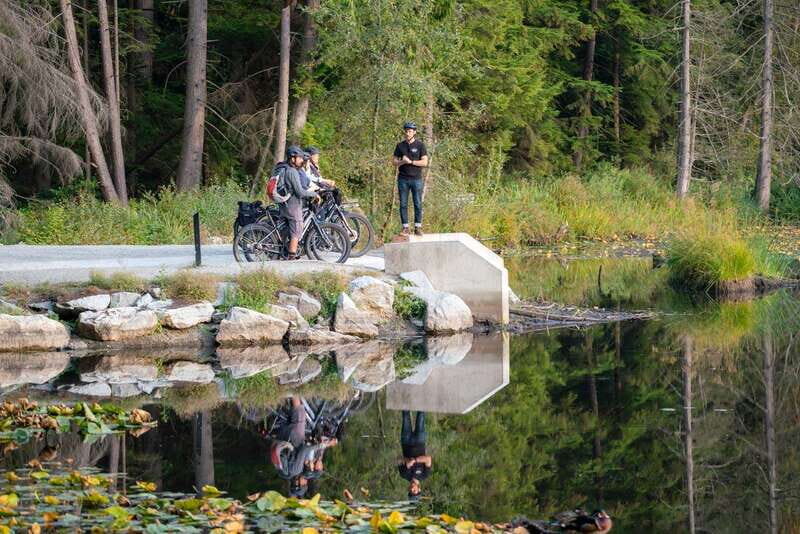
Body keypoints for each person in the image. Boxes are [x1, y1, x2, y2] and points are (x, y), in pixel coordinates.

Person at [274, 146, 320, 259]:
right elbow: (300, 192)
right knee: (297, 228)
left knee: (287, 228)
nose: (301, 160)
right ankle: (291, 256)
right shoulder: (292, 171)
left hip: (284, 203)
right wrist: (314, 194)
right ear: (292, 158)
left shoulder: (285, 168)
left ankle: (281, 250)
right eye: (299, 158)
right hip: (292, 205)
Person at [392, 121, 428, 236]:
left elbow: (424, 162)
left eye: (410, 131)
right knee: (403, 204)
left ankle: (418, 227)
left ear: (414, 132)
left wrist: (411, 162)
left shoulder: (420, 145)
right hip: (403, 179)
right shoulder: (400, 146)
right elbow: (394, 162)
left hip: (416, 179)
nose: (408, 133)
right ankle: (405, 228)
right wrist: (402, 161)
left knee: (417, 203)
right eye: (406, 131)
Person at [397, 411, 432, 501]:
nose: (412, 489)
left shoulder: (404, 475)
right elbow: (428, 459)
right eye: (414, 491)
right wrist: (415, 460)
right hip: (419, 441)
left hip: (406, 441)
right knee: (421, 414)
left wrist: (407, 462)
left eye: (410, 491)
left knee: (405, 415)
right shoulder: (425, 475)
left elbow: (398, 460)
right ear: (419, 489)